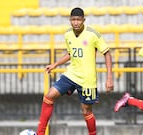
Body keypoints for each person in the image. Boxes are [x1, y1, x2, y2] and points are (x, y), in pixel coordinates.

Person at [36, 7, 114, 135]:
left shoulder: (93, 34)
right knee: (49, 96)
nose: (76, 22)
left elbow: (107, 53)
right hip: (71, 74)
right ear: (69, 20)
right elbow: (70, 53)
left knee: (86, 111)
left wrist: (109, 77)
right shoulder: (68, 34)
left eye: (78, 19)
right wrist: (55, 64)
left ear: (84, 20)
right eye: (73, 20)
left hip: (87, 79)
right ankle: (40, 133)